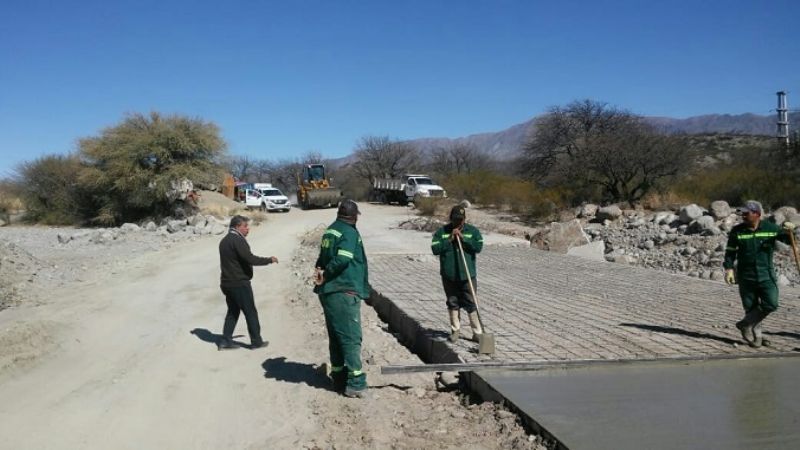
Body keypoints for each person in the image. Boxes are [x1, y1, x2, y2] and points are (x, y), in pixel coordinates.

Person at [314, 199, 370, 398]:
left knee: (337, 336)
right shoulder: (348, 232)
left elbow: (321, 258)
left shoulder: (331, 230)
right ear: (354, 216)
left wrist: (321, 272)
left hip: (330, 292)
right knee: (350, 337)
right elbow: (343, 258)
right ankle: (356, 382)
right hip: (343, 291)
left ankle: (338, 378)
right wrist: (327, 273)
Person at [724, 200, 796, 348]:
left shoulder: (771, 228)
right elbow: (730, 252)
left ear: (756, 214)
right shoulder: (737, 231)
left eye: (746, 213)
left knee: (771, 303)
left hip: (766, 274)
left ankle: (745, 324)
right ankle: (757, 337)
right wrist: (729, 269)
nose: (743, 216)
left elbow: (788, 240)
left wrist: (790, 231)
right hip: (746, 275)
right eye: (742, 213)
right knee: (751, 307)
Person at [218, 215, 278, 350]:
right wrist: (269, 260)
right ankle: (256, 342)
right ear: (237, 227)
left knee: (233, 311)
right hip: (239, 283)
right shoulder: (237, 240)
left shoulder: (224, 240)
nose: (248, 229)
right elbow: (250, 259)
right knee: (250, 311)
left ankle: (225, 341)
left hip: (227, 283)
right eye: (245, 226)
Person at [431, 205, 484, 343]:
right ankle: (455, 330)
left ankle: (477, 332)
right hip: (449, 275)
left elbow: (478, 247)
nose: (459, 222)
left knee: (471, 302)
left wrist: (464, 239)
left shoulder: (472, 231)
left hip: (467, 275)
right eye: (455, 219)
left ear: (465, 219)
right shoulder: (442, 232)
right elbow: (435, 249)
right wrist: (449, 239)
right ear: (451, 219)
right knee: (452, 302)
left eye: (461, 219)